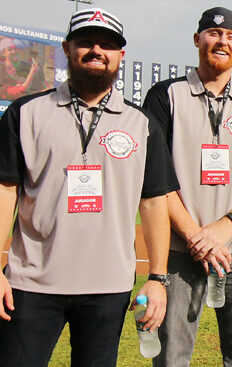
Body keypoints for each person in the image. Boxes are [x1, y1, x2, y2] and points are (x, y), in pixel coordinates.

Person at [0, 7, 177, 366]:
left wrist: (158, 278)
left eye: (107, 44)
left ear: (120, 56)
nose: (97, 50)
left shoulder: (142, 124)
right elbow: (4, 191)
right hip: (31, 285)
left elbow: (155, 202)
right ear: (66, 48)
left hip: (108, 288)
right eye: (86, 42)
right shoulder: (25, 113)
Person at [143, 7, 232, 367]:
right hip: (179, 248)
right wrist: (196, 237)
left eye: (230, 36)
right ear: (197, 40)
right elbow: (157, 179)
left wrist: (225, 227)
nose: (222, 41)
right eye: (213, 33)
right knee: (171, 355)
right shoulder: (165, 96)